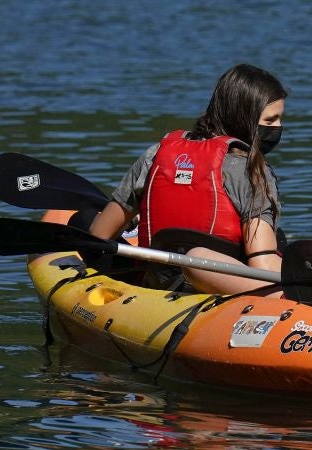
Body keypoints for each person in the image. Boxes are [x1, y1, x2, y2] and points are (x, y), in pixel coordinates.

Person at [89, 64, 287, 294]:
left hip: (159, 281)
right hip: (220, 285)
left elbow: (100, 234)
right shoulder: (251, 171)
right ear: (244, 118)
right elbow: (261, 263)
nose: (278, 128)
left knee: (83, 220)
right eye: (270, 121)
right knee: (278, 244)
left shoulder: (156, 154)